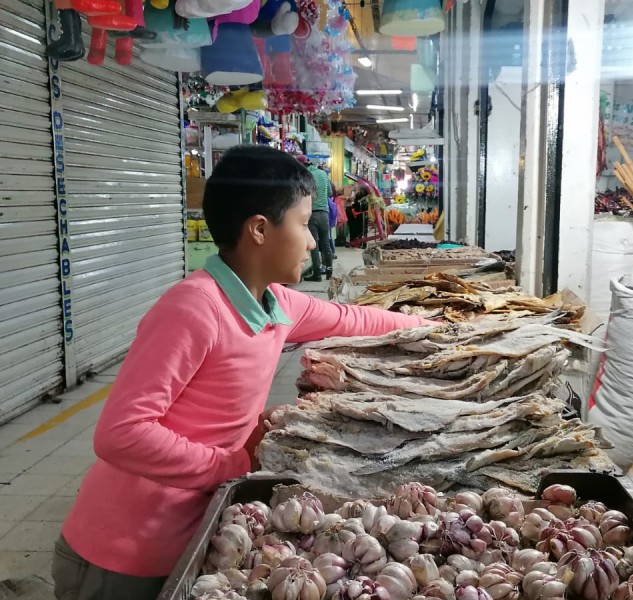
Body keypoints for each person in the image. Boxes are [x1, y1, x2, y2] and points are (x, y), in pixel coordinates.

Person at [52, 145, 433, 600]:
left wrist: (434, 327)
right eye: (303, 223)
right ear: (258, 229)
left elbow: (353, 319)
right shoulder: (194, 309)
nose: (313, 240)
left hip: (187, 536)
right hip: (121, 556)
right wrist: (234, 464)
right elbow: (121, 433)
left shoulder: (275, 303)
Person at [297, 155, 332, 282]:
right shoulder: (323, 174)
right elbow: (330, 193)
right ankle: (329, 271)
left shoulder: (305, 175)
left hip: (311, 214)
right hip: (324, 213)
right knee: (326, 242)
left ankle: (317, 274)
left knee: (314, 245)